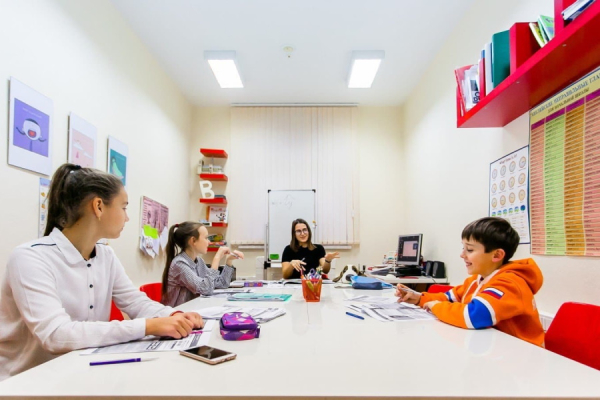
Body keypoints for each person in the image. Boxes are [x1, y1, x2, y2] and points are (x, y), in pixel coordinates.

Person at [0, 163, 203, 382]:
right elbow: (56, 335)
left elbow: (135, 302)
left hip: (80, 373)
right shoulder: (30, 257)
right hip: (26, 382)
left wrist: (172, 315)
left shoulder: (106, 255)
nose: (127, 218)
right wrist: (148, 326)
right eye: (123, 207)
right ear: (98, 206)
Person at [395, 217, 544, 346]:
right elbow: (449, 298)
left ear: (497, 255)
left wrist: (436, 307)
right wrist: (419, 299)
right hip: (495, 347)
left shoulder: (509, 283)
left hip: (520, 356)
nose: (462, 255)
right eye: (463, 248)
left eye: (470, 250)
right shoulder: (477, 280)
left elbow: (475, 316)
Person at [161, 222, 244, 307]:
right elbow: (205, 289)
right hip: (178, 312)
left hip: (192, 310)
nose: (209, 242)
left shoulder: (199, 261)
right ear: (193, 241)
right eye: (206, 238)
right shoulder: (179, 264)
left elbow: (222, 283)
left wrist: (229, 261)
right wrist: (216, 259)